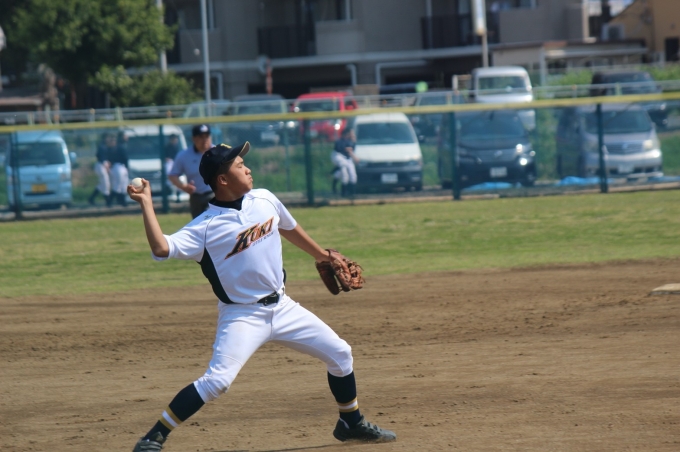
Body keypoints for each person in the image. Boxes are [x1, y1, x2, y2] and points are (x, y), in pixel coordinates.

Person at [127, 142, 397, 452]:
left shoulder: (265, 199)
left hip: (284, 307)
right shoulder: (205, 227)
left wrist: (323, 256)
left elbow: (289, 227)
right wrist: (146, 203)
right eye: (239, 166)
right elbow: (161, 247)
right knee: (218, 381)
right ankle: (154, 436)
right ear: (222, 180)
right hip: (242, 315)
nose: (248, 169)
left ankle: (351, 422)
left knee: (340, 353)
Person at [168, 124, 214, 218]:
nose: (205, 139)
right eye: (201, 137)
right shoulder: (184, 155)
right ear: (194, 139)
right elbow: (172, 175)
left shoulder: (218, 152)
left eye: (207, 136)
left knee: (211, 221)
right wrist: (184, 186)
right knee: (197, 223)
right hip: (195, 196)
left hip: (214, 194)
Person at [331, 128, 359, 198]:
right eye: (350, 133)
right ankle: (344, 192)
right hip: (339, 157)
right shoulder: (340, 141)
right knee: (344, 173)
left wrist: (353, 143)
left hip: (347, 159)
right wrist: (354, 156)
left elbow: (351, 150)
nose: (351, 135)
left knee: (352, 175)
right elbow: (344, 149)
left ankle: (352, 192)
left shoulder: (350, 141)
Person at [88, 133, 114, 207]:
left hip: (102, 166)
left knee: (102, 184)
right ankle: (108, 202)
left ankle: (91, 198)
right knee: (106, 183)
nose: (108, 139)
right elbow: (102, 159)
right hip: (101, 166)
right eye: (107, 138)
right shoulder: (102, 146)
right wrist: (106, 166)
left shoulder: (104, 146)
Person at [109, 132, 130, 207]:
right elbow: (124, 157)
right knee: (118, 185)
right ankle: (109, 201)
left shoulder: (122, 145)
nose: (126, 137)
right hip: (118, 166)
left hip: (122, 166)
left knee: (124, 185)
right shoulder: (119, 146)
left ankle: (122, 202)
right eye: (125, 136)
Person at [164, 134, 181, 202]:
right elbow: (165, 156)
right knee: (169, 179)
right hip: (170, 162)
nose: (175, 140)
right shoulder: (167, 146)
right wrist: (167, 158)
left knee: (178, 179)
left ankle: (178, 197)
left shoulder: (177, 146)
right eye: (174, 139)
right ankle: (167, 193)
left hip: (176, 163)